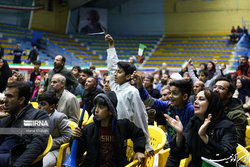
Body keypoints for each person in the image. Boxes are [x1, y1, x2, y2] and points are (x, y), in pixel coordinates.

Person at [105, 34, 153, 154]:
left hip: (125, 134)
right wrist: (111, 46)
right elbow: (112, 66)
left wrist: (146, 144)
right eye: (116, 71)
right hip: (111, 130)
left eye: (119, 72)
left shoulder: (132, 92)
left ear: (127, 76)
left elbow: (140, 117)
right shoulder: (115, 86)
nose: (115, 74)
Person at [165, 89, 237, 166]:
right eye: (196, 98)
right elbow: (180, 153)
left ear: (211, 104)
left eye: (201, 99)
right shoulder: (194, 121)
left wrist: (204, 136)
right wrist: (179, 135)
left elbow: (227, 156)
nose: (195, 102)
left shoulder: (226, 125)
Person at [71, 91, 146, 167]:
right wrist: (75, 138)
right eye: (96, 106)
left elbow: (139, 135)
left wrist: (139, 151)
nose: (96, 110)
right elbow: (78, 154)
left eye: (101, 107)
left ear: (110, 111)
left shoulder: (123, 126)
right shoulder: (89, 129)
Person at [133, 74, 194, 147]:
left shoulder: (191, 110)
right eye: (170, 93)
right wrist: (140, 85)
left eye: (174, 93)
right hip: (170, 146)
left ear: (185, 97)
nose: (170, 96)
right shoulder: (168, 105)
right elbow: (148, 100)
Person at [0, 81, 50, 167]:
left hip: (13, 158)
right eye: (5, 96)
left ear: (21, 100)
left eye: (9, 96)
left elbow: (37, 144)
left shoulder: (39, 115)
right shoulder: (9, 117)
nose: (5, 100)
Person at [38, 90, 71, 167]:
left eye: (43, 104)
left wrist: (49, 144)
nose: (39, 106)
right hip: (38, 148)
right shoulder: (37, 115)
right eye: (39, 103)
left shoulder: (59, 117)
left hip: (54, 150)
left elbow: (67, 137)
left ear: (52, 107)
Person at [213, 77, 247, 146]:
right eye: (215, 87)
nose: (215, 90)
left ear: (229, 94)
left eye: (220, 88)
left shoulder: (237, 115)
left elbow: (235, 141)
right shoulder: (212, 106)